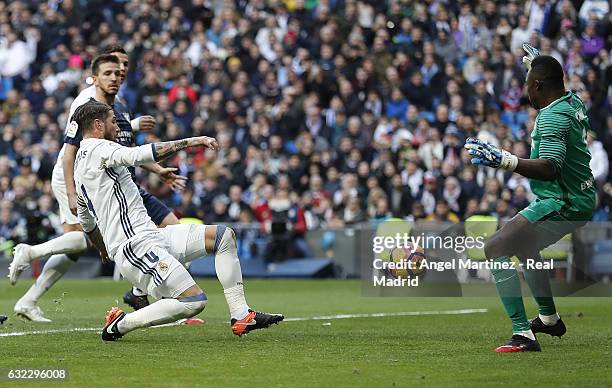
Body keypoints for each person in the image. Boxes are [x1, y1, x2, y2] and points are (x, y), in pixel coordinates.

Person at [73, 100, 283, 340]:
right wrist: (192, 141)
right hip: (135, 246)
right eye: (112, 121)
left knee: (223, 237)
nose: (117, 127)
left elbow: (85, 219)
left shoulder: (80, 166)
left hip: (151, 235)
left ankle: (241, 315)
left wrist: (102, 248)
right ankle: (120, 324)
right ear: (98, 125)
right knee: (193, 301)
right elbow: (140, 154)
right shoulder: (99, 149)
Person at [8, 48, 182, 321]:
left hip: (103, 176)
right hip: (78, 174)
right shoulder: (86, 102)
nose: (120, 71)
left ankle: (29, 298)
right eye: (113, 67)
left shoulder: (119, 104)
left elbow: (123, 146)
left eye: (123, 66)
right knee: (85, 239)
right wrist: (71, 189)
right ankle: (30, 252)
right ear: (96, 75)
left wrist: (155, 164)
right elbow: (71, 150)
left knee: (79, 247)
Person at [465, 52, 596, 352]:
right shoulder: (572, 101)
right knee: (524, 246)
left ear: (537, 85)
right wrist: (540, 62)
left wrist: (506, 161)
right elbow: (557, 79)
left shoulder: (551, 116)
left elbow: (550, 167)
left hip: (564, 201)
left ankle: (523, 333)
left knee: (495, 246)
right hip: (577, 194)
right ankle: (549, 319)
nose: (525, 90)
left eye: (528, 84)